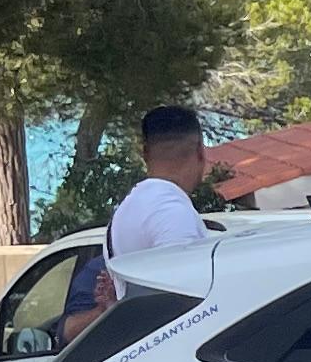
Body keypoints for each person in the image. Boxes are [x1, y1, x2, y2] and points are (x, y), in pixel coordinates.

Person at [60, 104, 216, 341]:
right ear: (201, 152)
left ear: (145, 153)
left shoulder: (128, 209)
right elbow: (184, 303)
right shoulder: (171, 211)